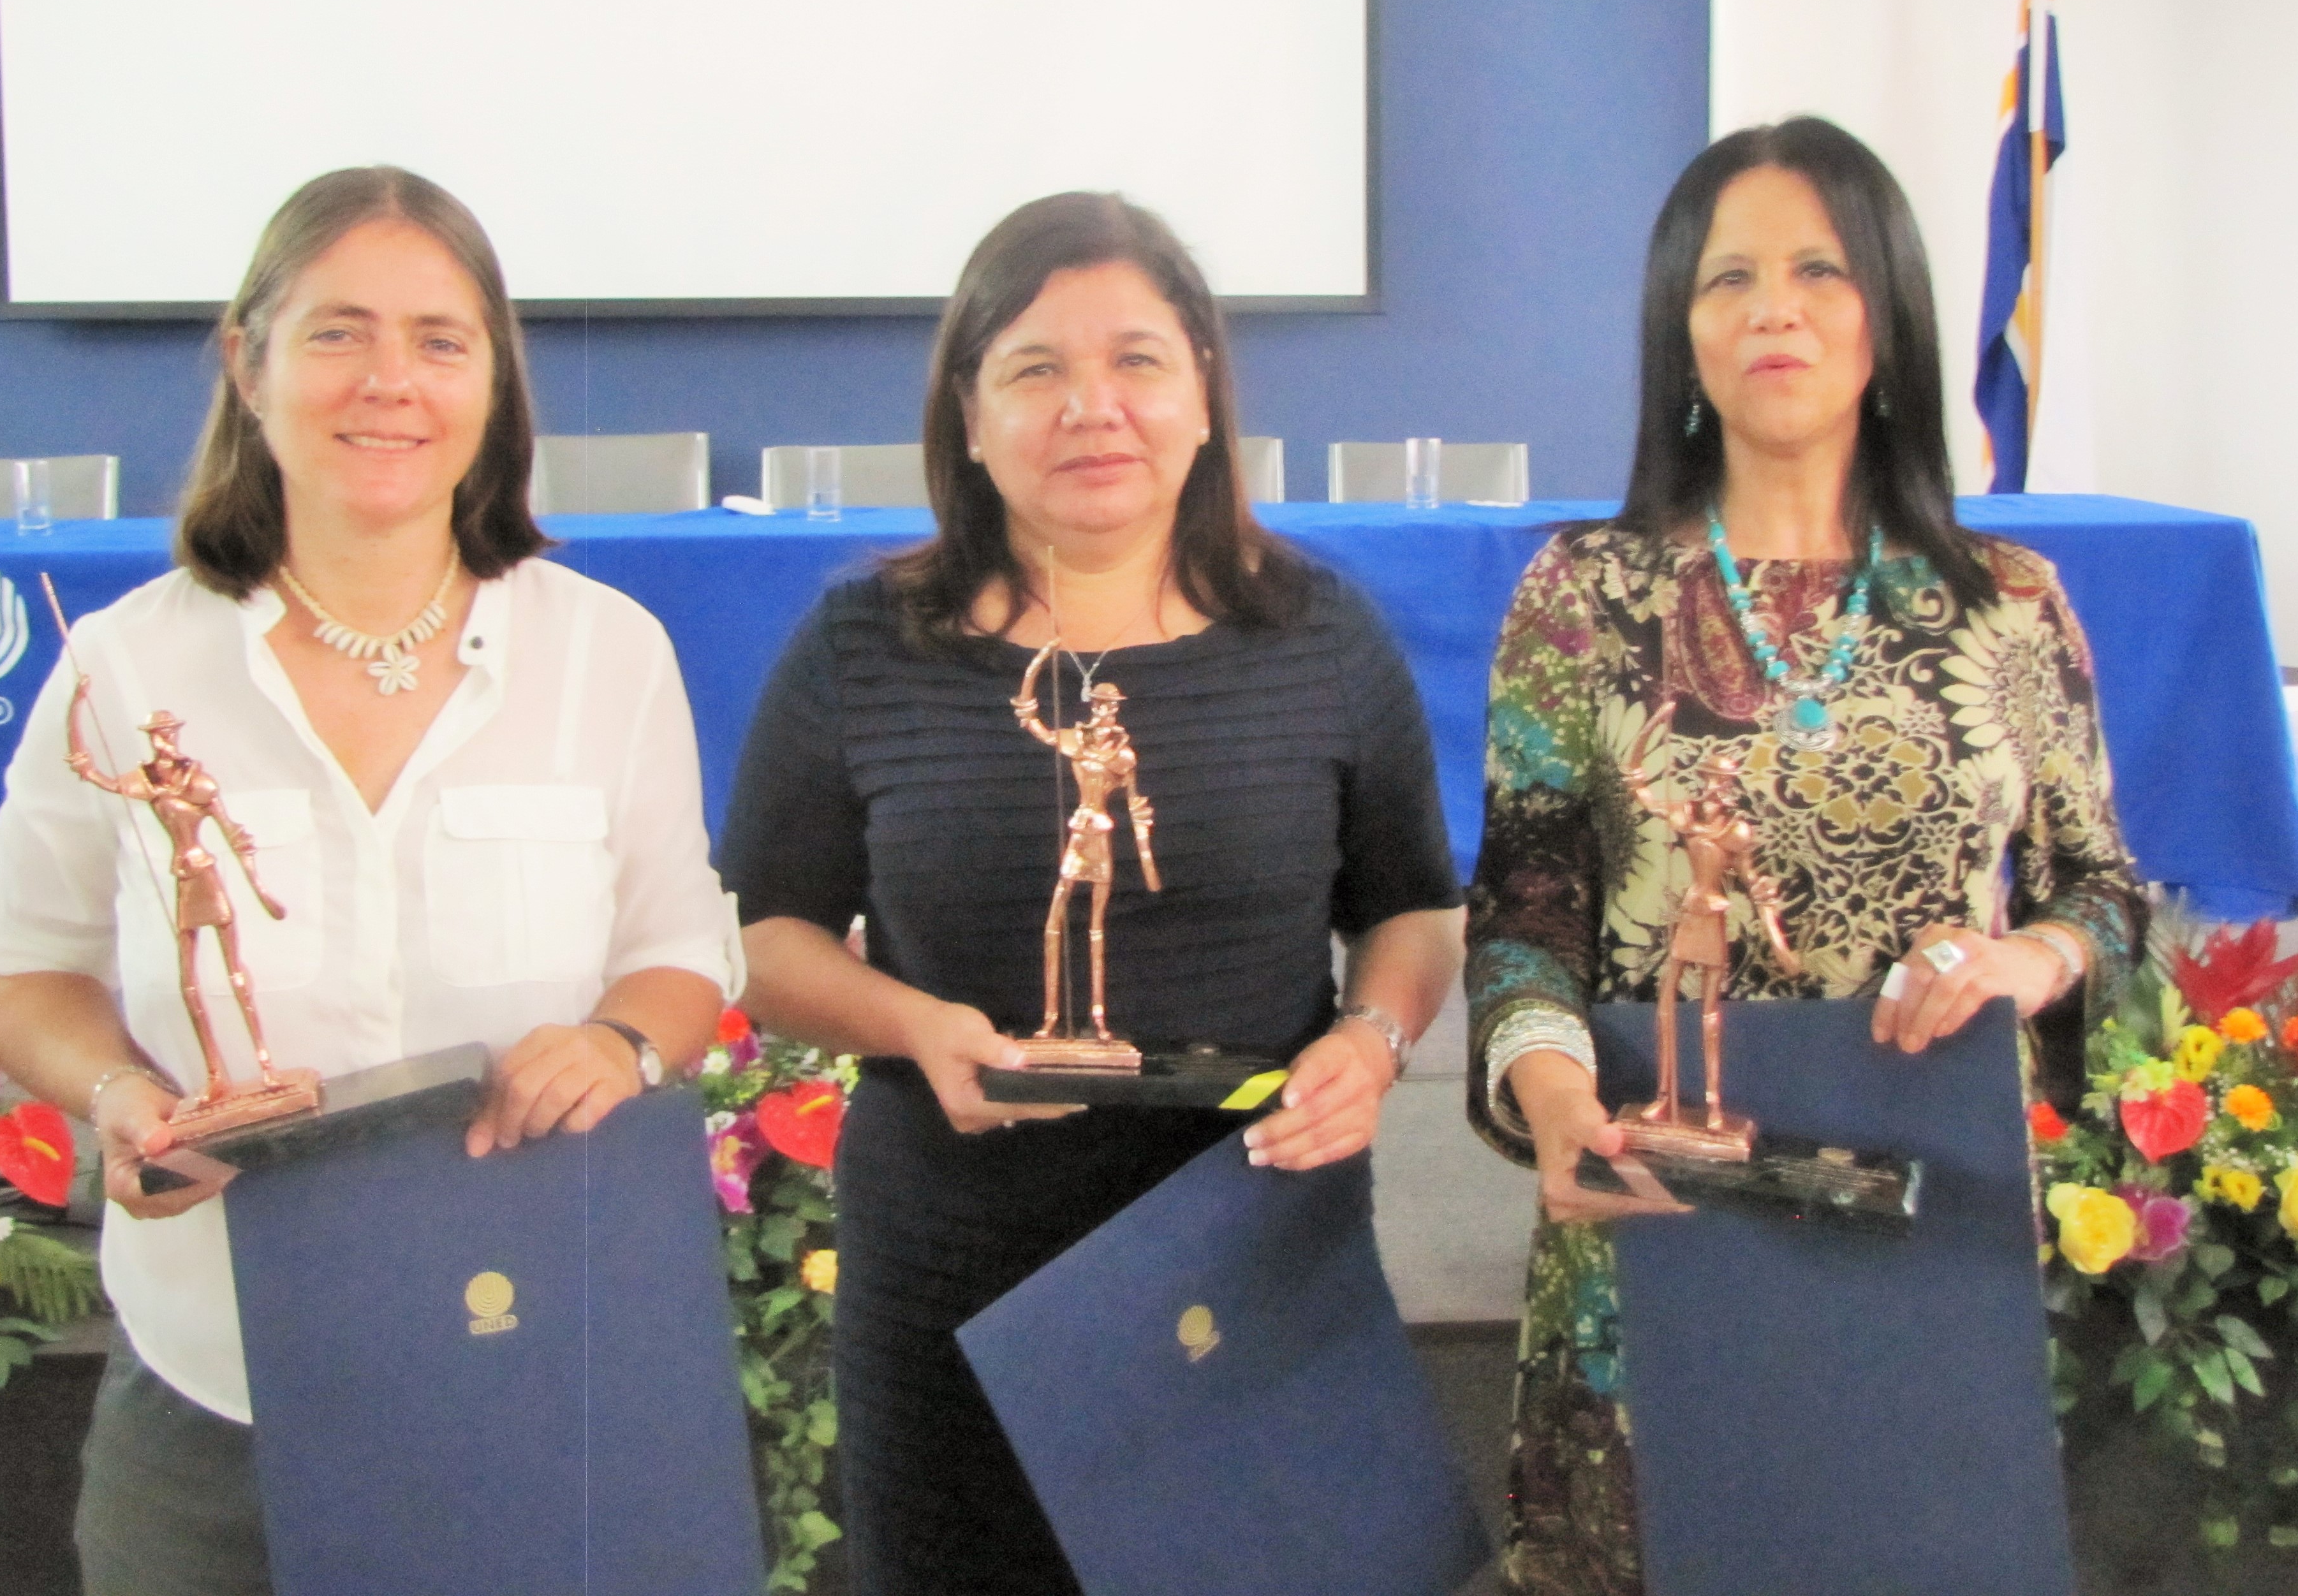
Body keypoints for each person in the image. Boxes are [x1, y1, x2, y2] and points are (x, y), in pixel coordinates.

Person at [0, 167, 739, 1596]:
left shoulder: (608, 653)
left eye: (441, 341)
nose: (391, 381)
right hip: (215, 1406)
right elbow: (24, 970)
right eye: (339, 333)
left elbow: (685, 950)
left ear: (493, 384)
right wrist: (119, 1096)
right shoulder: (124, 672)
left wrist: (623, 1039)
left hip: (534, 1370)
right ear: (246, 364)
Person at [721, 191, 1467, 1593]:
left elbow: (1415, 909)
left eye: (1137, 361)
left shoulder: (1322, 638)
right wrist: (910, 1026)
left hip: (1247, 1252)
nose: (1093, 407)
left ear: (1200, 399)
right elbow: (761, 936)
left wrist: (1373, 1044)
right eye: (1036, 369)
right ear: (969, 411)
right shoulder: (863, 648)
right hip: (953, 1266)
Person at [1466, 117, 2146, 1594]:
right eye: (1731, 278)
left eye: (1819, 269)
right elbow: (1524, 896)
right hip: (1651, 1205)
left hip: (1926, 1212)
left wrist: (2032, 957)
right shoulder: (1582, 594)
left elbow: (2105, 891)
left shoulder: (2011, 604)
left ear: (1889, 320)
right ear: (1682, 335)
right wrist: (1549, 1081)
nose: (1773, 306)